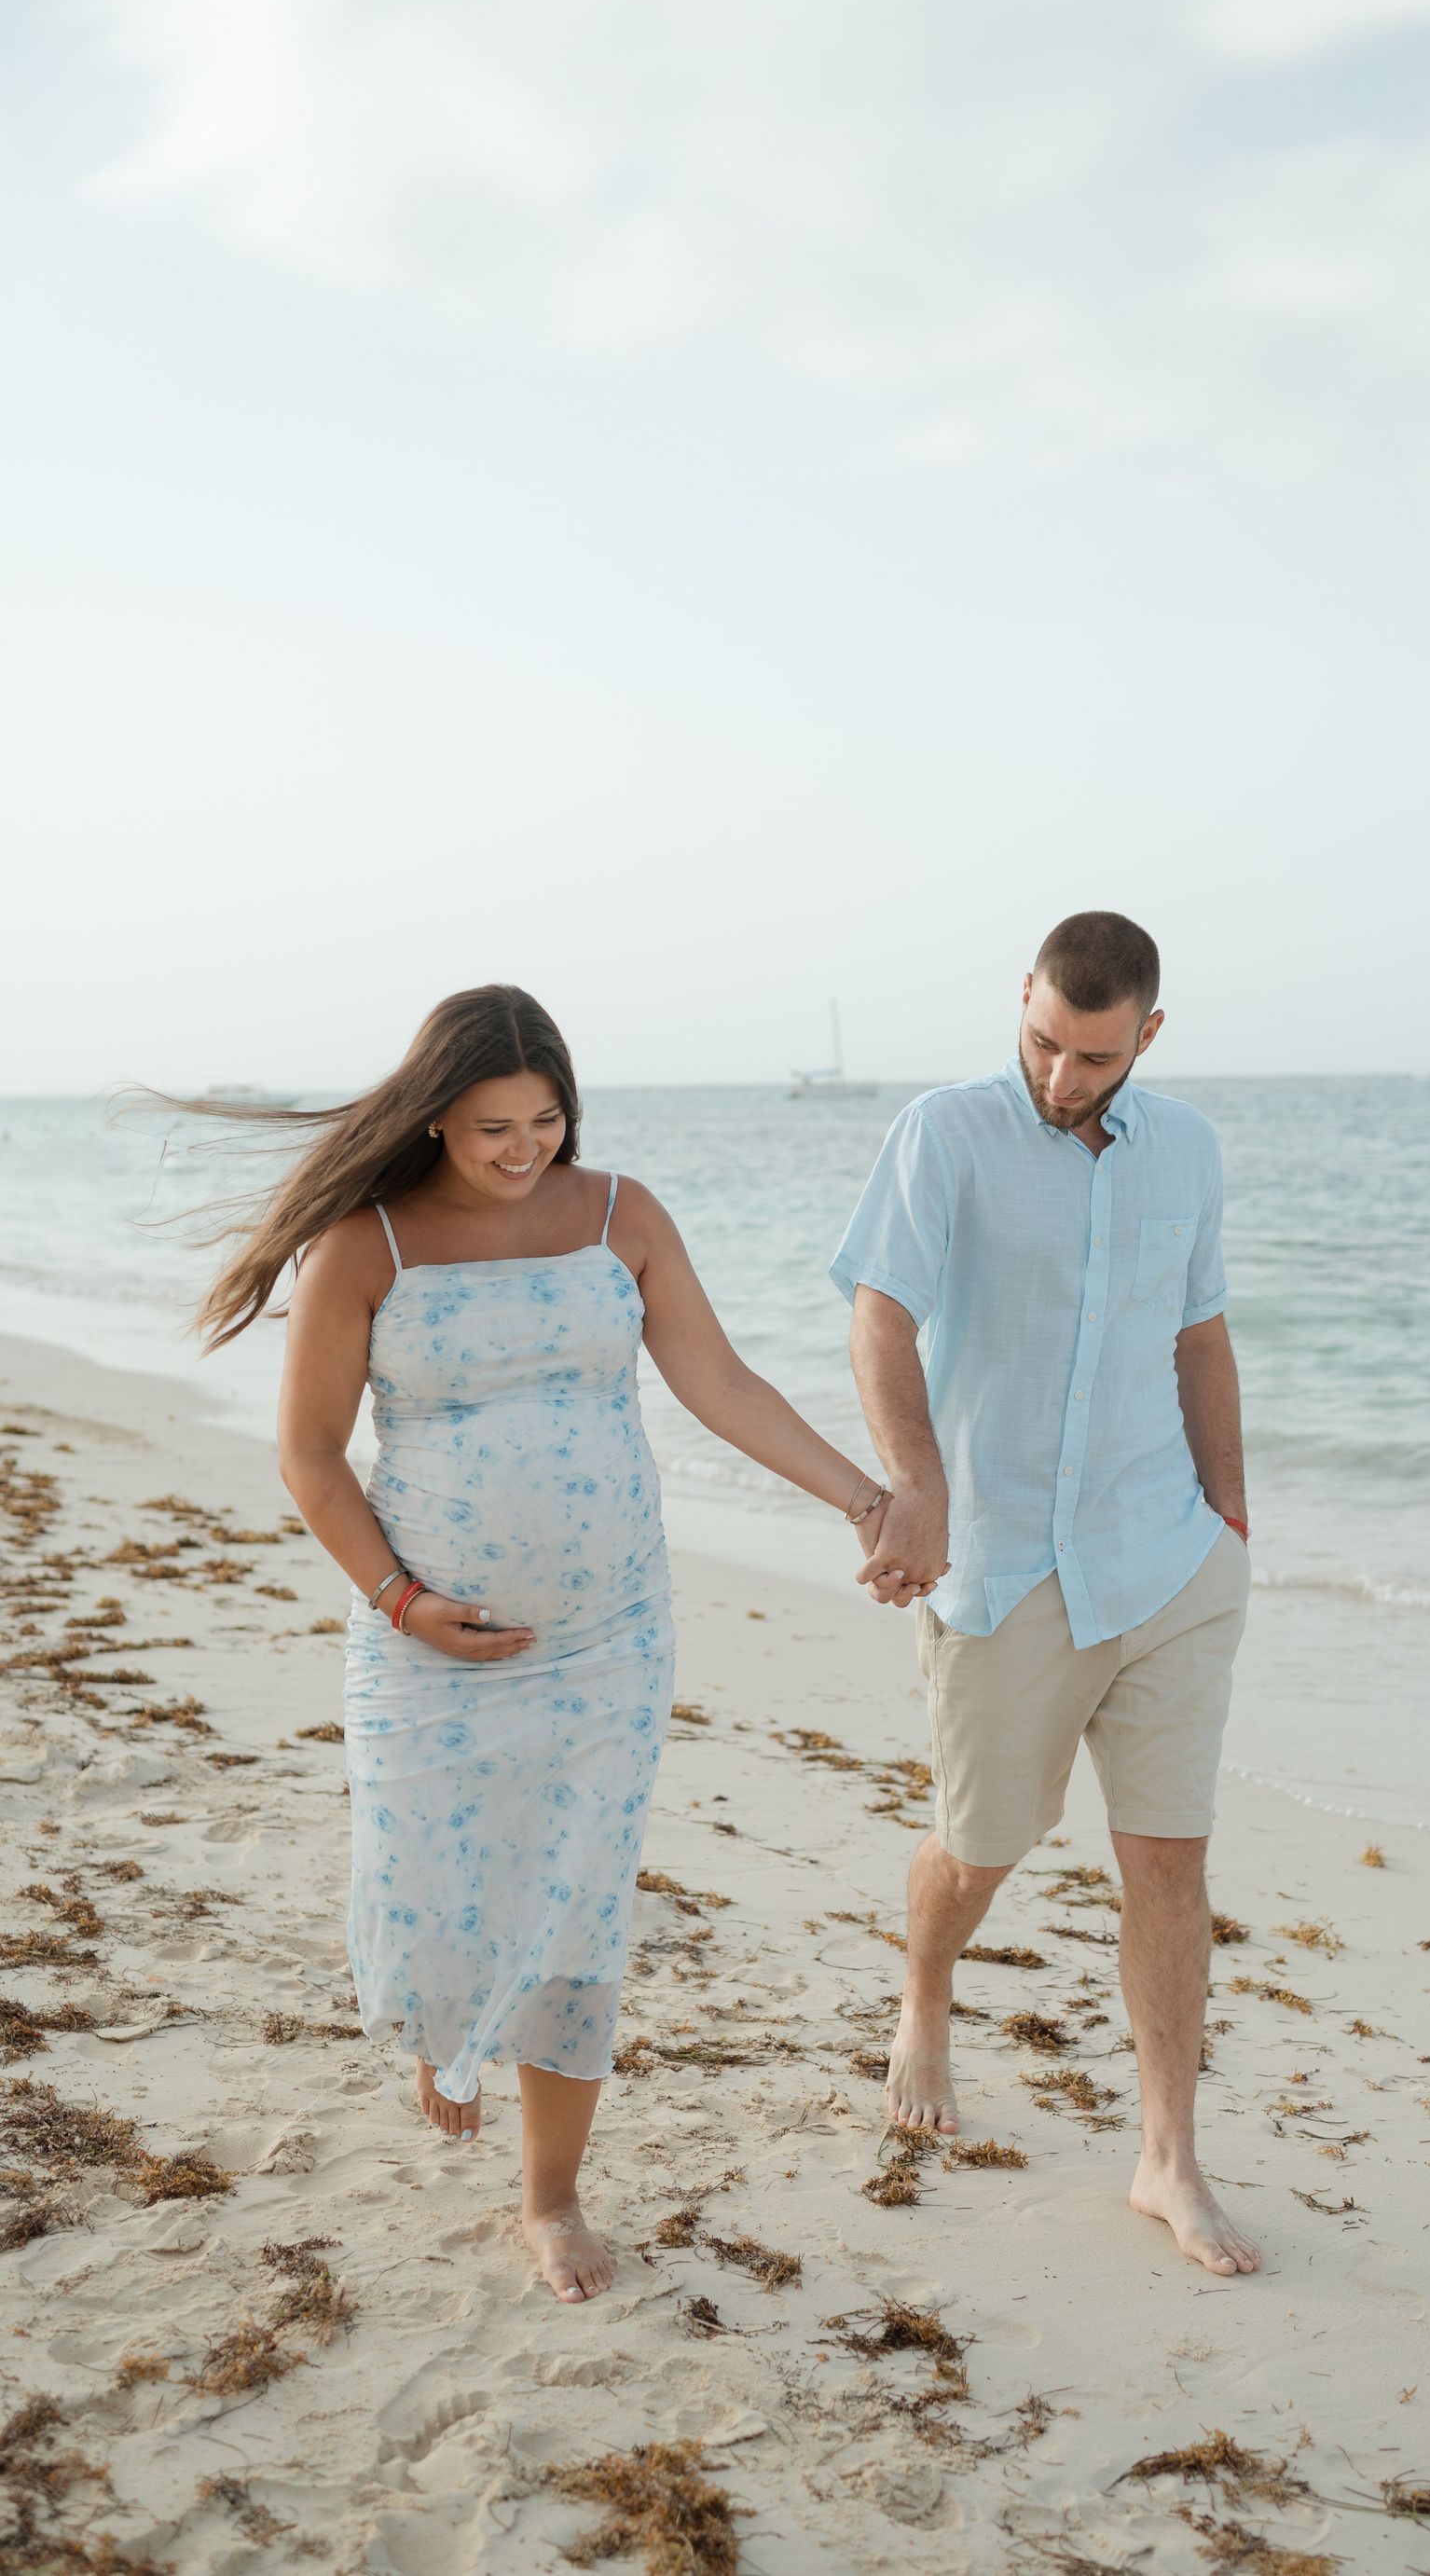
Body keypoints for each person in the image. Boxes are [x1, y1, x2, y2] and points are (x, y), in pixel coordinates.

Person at [186, 985, 897, 2306]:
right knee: (433, 1888)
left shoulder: (622, 1216)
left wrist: (864, 1499)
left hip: (610, 1640)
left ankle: (551, 2196)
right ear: (433, 1118)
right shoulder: (364, 1245)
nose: (524, 1149)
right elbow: (309, 1454)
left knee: (578, 1903)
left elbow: (720, 1382)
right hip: (421, 1642)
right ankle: (448, 2022)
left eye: (545, 1119)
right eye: (492, 1127)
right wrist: (401, 1599)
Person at [832, 911, 1259, 2279]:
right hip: (1004, 1560)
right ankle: (926, 1988)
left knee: (1170, 1860)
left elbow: (1201, 1331)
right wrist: (918, 1485)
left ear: (1149, 1034)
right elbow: (881, 1313)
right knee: (979, 1849)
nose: (1061, 1078)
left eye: (1094, 1056)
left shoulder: (1188, 1150)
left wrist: (1230, 1515)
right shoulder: (946, 1133)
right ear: (1021, 998)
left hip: (1167, 1557)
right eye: (1042, 1043)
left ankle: (1167, 2155)